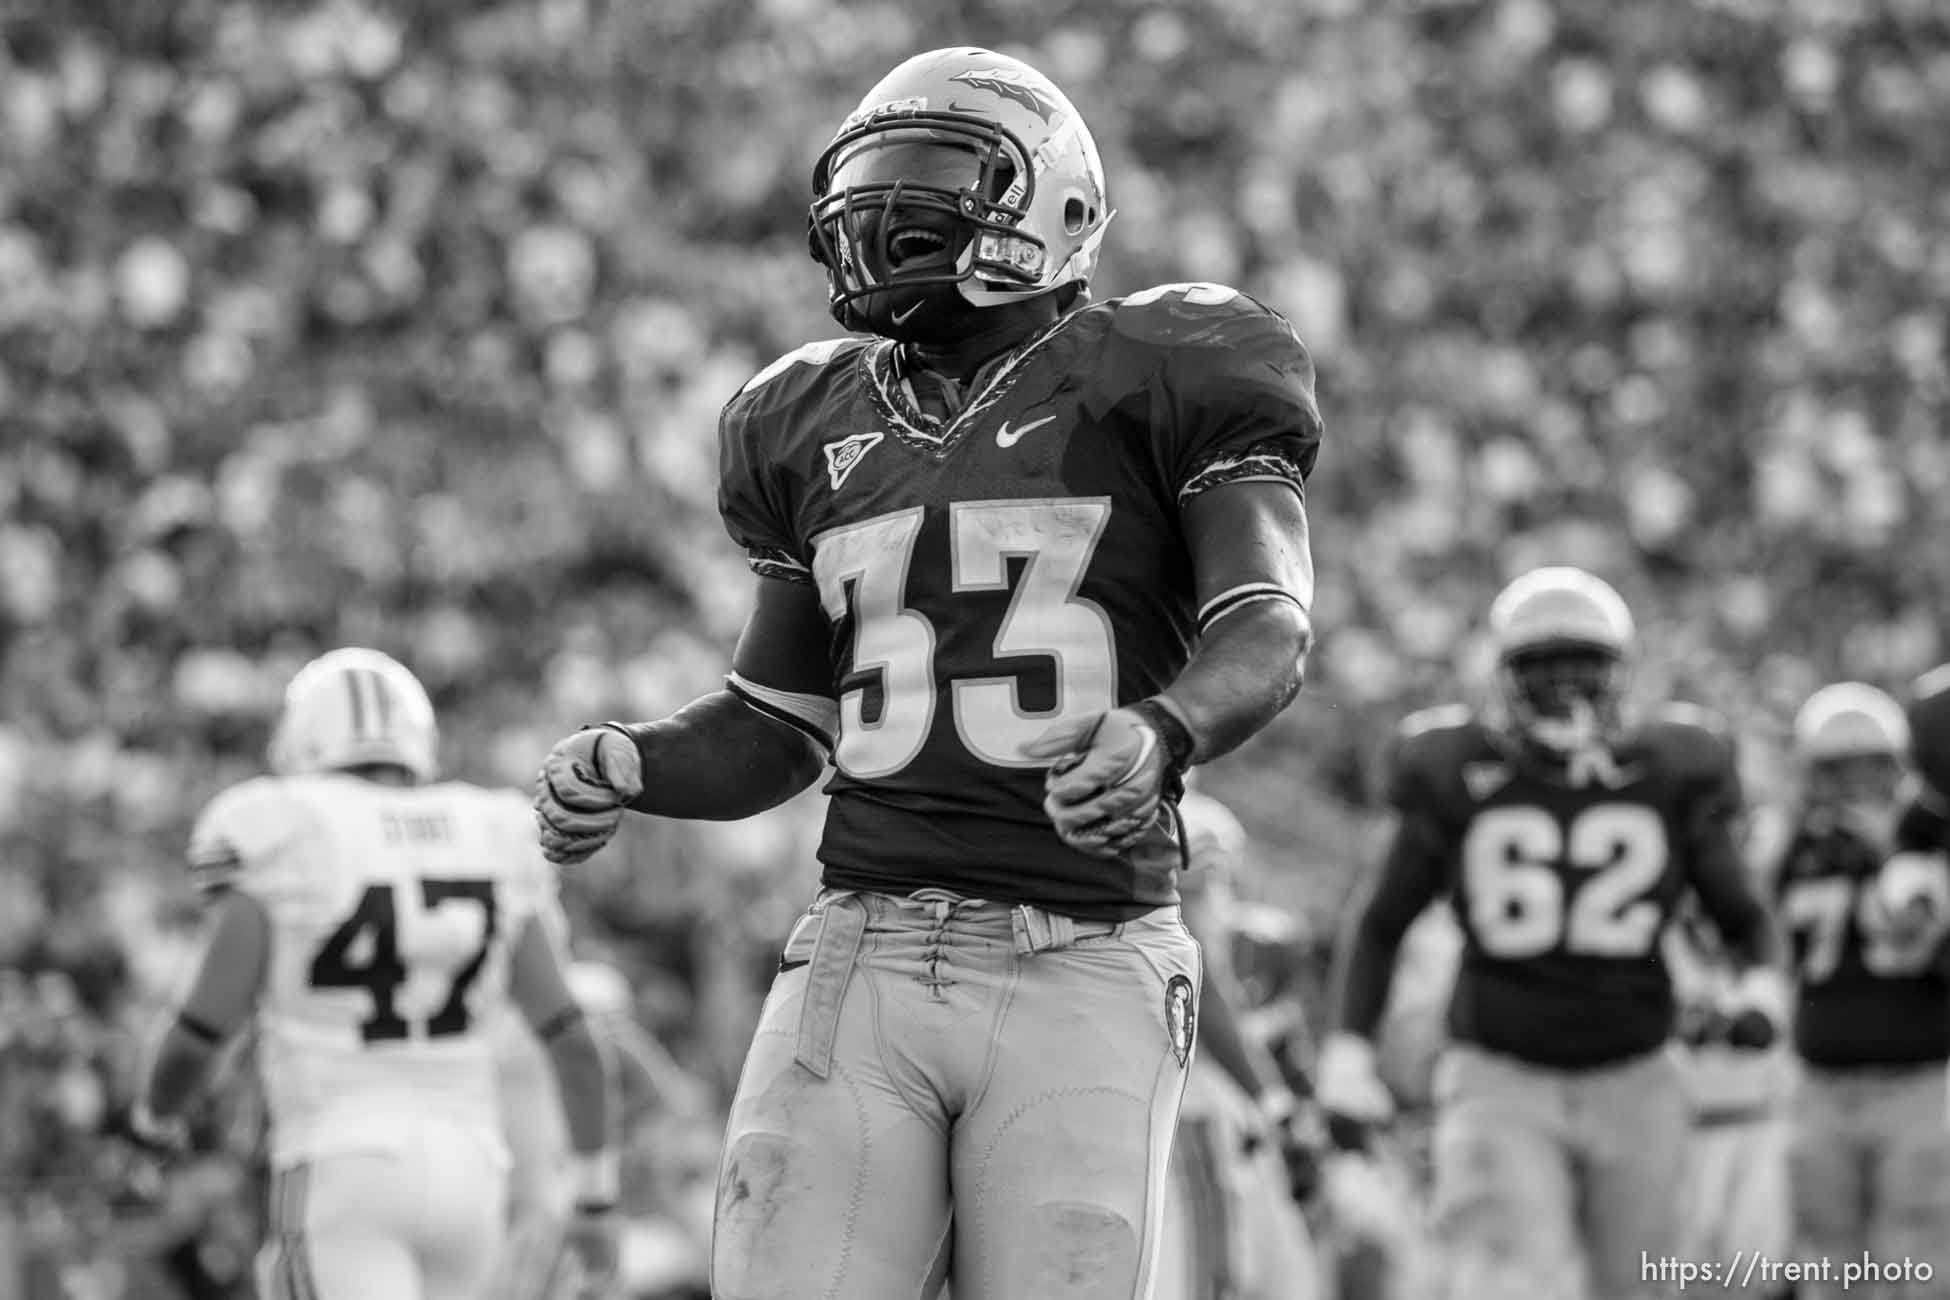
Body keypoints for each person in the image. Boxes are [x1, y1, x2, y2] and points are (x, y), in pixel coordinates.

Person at [531, 44, 1323, 1300]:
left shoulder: (1166, 366)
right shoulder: (804, 421)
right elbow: (776, 723)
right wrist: (641, 761)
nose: (884, 208)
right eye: (872, 177)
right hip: (864, 945)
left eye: (933, 174)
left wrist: (1164, 730)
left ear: (1052, 205)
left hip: (1085, 949)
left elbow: (1268, 621)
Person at [1316, 566, 1783, 1300]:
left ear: (1622, 676)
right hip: (1500, 1073)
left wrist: (1759, 989)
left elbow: (1744, 914)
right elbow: (1380, 921)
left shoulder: (1671, 768)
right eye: (1542, 668)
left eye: (1584, 666)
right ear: (1503, 678)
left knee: (1639, 1284)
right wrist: (1347, 1052)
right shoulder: (1453, 767)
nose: (1565, 687)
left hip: (1637, 1072)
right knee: (1505, 1279)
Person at [133, 648, 620, 1300]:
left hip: (342, 1157)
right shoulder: (488, 828)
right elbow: (570, 1039)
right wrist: (592, 1199)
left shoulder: (283, 829)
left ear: (301, 739)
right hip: (471, 1166)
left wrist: (154, 1122)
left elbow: (199, 1032)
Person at [1766, 682, 1950, 1299]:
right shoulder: (1792, 849)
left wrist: (1890, 853)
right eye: (1837, 771)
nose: (1854, 787)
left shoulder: (1929, 840)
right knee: (1827, 1264)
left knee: (1918, 1258)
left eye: (1871, 769)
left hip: (1919, 1087)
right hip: (1819, 1088)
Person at [1153, 787, 1322, 1300]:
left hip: (1129, 1093)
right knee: (1208, 1277)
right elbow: (1200, 977)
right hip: (1190, 1101)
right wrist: (1270, 1098)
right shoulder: (1187, 824)